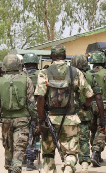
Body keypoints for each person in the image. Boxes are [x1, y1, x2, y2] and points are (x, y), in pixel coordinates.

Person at [35, 45, 94, 173]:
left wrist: (41, 120)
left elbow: (40, 98)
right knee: (70, 152)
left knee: (48, 154)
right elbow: (90, 95)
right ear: (65, 56)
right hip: (71, 119)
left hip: (49, 119)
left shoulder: (44, 73)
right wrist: (84, 106)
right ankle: (67, 169)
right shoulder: (75, 72)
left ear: (51, 56)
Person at [0, 54, 37, 173]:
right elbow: (31, 104)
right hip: (23, 120)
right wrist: (36, 120)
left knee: (8, 149)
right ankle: (16, 167)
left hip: (6, 121)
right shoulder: (26, 80)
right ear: (19, 65)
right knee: (19, 148)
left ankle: (11, 167)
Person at [70, 55, 105, 173]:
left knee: (69, 140)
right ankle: (84, 165)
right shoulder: (90, 77)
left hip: (69, 114)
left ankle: (69, 163)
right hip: (84, 114)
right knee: (83, 140)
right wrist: (102, 116)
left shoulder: (68, 76)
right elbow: (98, 98)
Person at [85, 51, 106, 167]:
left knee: (93, 130)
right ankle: (95, 152)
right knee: (101, 128)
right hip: (102, 105)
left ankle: (97, 154)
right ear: (103, 61)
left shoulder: (86, 73)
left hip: (88, 105)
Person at [21, 52, 40, 171]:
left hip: (22, 111)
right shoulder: (41, 75)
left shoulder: (20, 75)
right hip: (37, 109)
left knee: (23, 135)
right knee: (35, 135)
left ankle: (22, 157)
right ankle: (30, 160)